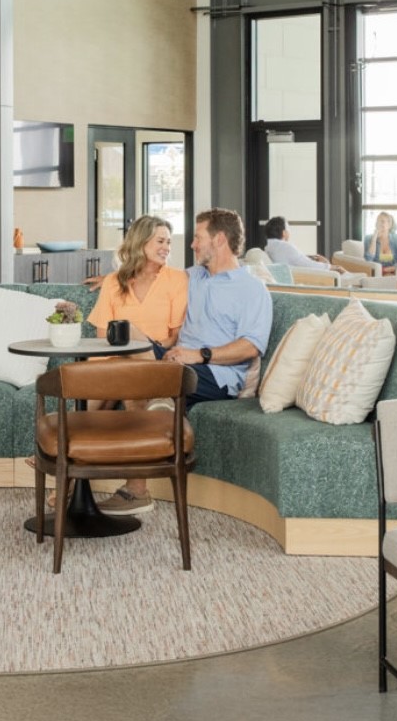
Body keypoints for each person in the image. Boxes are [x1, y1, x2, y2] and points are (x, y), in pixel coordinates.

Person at [100, 208, 272, 516]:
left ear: (219, 240)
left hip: (215, 373)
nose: (191, 245)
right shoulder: (191, 277)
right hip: (172, 361)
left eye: (197, 237)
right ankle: (162, 408)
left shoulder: (252, 289)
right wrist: (112, 280)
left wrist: (200, 354)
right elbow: (147, 274)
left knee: (134, 379)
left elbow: (251, 346)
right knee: (128, 338)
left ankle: (135, 486)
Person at [85, 215, 189, 515]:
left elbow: (171, 338)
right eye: (160, 241)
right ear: (141, 242)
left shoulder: (176, 280)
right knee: (120, 388)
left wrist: (137, 350)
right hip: (114, 362)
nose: (167, 247)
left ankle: (58, 464)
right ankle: (134, 491)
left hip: (154, 358)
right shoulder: (115, 282)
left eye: (169, 241)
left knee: (127, 337)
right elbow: (104, 336)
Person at [264, 216, 338, 271]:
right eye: (288, 229)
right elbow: (308, 265)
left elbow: (298, 260)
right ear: (284, 233)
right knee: (342, 271)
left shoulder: (269, 247)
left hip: (298, 274)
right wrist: (329, 266)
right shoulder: (286, 247)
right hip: (305, 278)